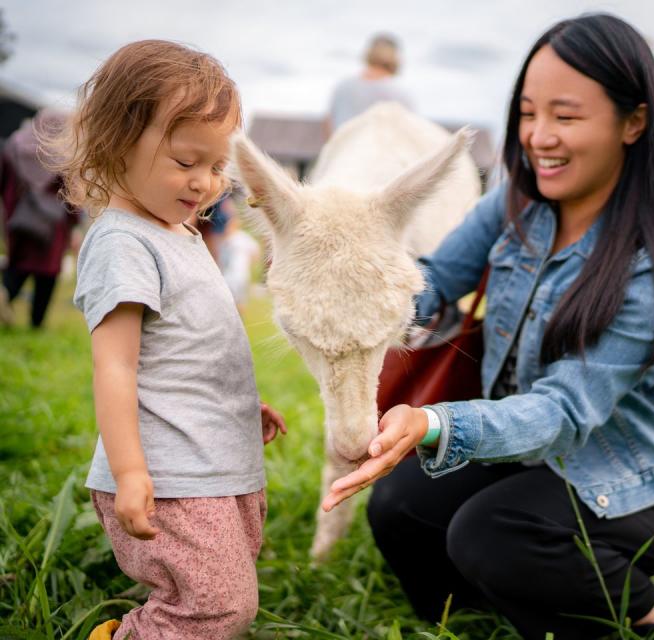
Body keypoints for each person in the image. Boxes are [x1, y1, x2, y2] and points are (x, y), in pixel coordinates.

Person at [323, 14, 654, 640]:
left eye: (565, 115)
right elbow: (432, 281)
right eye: (528, 113)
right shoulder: (514, 200)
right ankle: (508, 599)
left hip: (633, 480)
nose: (539, 136)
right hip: (526, 450)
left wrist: (434, 422)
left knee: (490, 536)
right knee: (399, 510)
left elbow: (560, 412)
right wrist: (347, 285)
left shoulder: (646, 268)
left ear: (633, 122)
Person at [45, 40, 287, 640]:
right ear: (117, 143)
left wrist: (236, 404)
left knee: (225, 580)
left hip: (212, 461)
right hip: (168, 475)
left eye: (217, 165)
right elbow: (116, 368)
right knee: (218, 605)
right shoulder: (124, 242)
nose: (205, 182)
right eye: (185, 161)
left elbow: (183, 351)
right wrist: (130, 472)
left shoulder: (177, 233)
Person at [0, 109, 80, 328]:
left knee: (17, 266)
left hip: (18, 220)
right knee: (47, 273)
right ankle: (36, 323)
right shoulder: (63, 153)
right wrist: (74, 224)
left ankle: (5, 300)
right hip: (53, 227)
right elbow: (73, 195)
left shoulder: (14, 145)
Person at [326, 33, 414, 133]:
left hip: (345, 145)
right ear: (396, 58)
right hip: (381, 147)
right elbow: (410, 130)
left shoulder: (343, 86)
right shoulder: (400, 92)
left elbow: (329, 121)